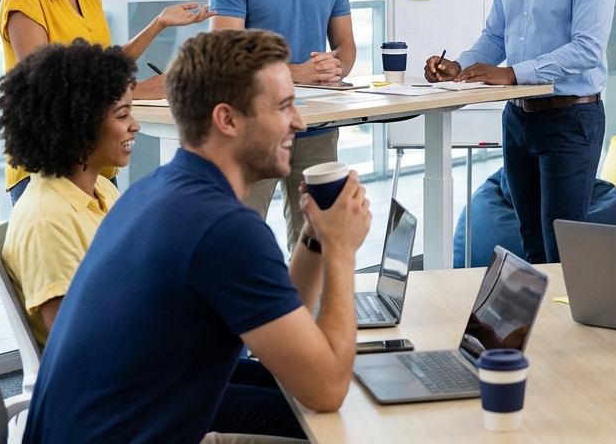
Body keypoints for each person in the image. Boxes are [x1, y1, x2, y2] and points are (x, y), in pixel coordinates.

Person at [22, 29, 371, 444]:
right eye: (284, 106)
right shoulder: (224, 228)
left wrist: (315, 237)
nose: (298, 121)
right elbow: (327, 388)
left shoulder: (153, 191)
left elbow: (284, 330)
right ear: (226, 119)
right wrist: (343, 251)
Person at [423, 0, 616, 265]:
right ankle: (542, 331)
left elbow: (587, 50)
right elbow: (496, 34)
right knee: (530, 242)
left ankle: (571, 330)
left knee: (563, 248)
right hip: (518, 121)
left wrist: (511, 74)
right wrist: (460, 67)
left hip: (570, 121)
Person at [0, 0, 214, 202]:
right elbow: (45, 91)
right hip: (48, 167)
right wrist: (137, 92)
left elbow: (104, 66)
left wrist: (159, 23)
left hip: (93, 164)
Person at [211, 0, 356, 251]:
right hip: (254, 126)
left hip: (317, 126)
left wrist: (333, 67)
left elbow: (345, 45)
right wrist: (299, 72)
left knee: (317, 242)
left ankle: (308, 315)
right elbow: (226, 56)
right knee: (238, 239)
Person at [0, 40, 138, 347]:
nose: (135, 126)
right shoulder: (47, 221)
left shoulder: (100, 190)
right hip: (121, 386)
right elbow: (79, 346)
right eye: (123, 115)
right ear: (81, 124)